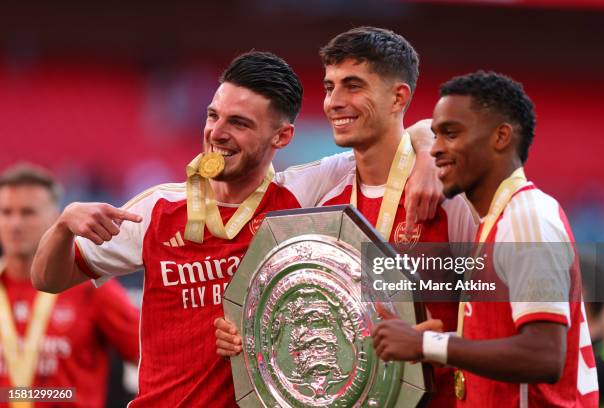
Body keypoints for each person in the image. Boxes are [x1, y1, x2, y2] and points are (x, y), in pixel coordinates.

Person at [31, 51, 439, 407]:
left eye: (239, 123)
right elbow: (47, 279)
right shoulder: (156, 209)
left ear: (282, 136)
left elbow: (395, 135)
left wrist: (426, 154)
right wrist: (64, 226)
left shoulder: (300, 193)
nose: (217, 133)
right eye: (213, 115)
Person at [214, 26, 478, 407]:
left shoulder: (447, 198)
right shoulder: (323, 202)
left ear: (397, 97)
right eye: (329, 87)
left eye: (353, 86)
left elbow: (498, 325)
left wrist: (431, 346)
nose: (334, 101)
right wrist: (244, 332)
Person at [372, 71, 600, 407]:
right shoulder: (497, 222)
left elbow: (544, 354)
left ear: (501, 137)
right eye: (435, 136)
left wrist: (429, 345)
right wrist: (447, 343)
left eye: (451, 134)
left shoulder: (527, 220)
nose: (435, 149)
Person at [0, 164, 139, 408]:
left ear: (55, 219)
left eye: (27, 212)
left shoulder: (89, 287)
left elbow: (149, 353)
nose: (15, 224)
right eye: (6, 212)